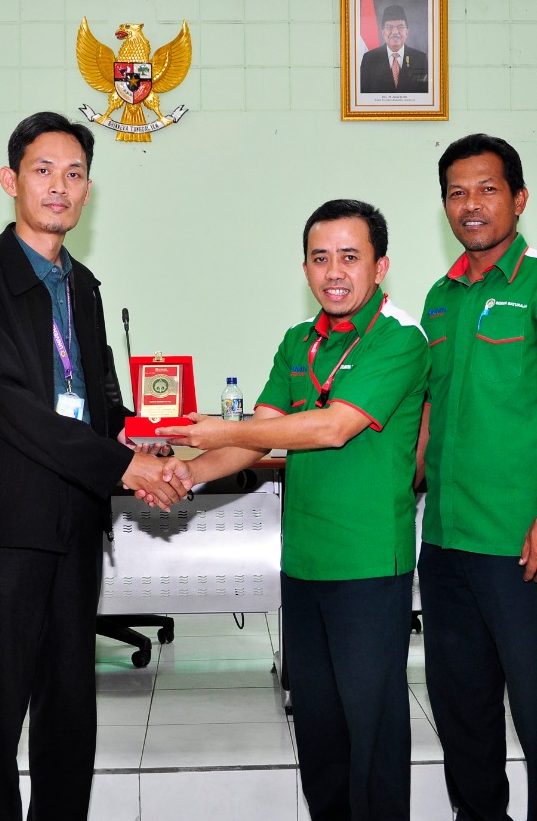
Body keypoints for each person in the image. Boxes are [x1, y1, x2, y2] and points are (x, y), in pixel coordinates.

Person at [0, 111, 186, 821]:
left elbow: (96, 397)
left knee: (71, 710)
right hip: (5, 532)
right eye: (43, 170)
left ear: (87, 191)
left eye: (74, 174)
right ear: (10, 180)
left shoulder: (84, 287)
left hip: (75, 525)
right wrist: (123, 469)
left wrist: (145, 441)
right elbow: (12, 407)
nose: (59, 186)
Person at [153, 199, 429, 821]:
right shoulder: (298, 341)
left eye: (350, 257)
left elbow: (333, 427)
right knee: (319, 730)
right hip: (303, 565)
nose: (335, 272)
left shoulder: (400, 338)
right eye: (320, 258)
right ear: (304, 268)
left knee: (372, 730)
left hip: (368, 565)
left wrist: (217, 430)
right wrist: (188, 473)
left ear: (380, 266)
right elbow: (260, 435)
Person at [417, 133, 537, 821]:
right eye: (457, 192)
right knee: (461, 711)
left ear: (519, 199)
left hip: (523, 542)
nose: (471, 204)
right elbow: (429, 412)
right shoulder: (438, 298)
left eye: (488, 189)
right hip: (447, 541)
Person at [359, 4, 429, 94]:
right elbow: (363, 96)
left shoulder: (420, 59)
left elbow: (424, 94)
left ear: (407, 32)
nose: (395, 32)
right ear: (383, 32)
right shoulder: (369, 59)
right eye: (389, 27)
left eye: (400, 27)